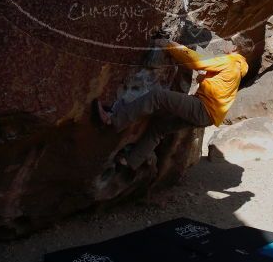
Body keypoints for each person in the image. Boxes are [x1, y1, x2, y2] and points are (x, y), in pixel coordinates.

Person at [95, 34, 251, 170]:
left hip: (202, 108)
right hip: (208, 116)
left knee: (158, 96)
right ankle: (130, 161)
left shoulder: (229, 61)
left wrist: (170, 45)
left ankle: (113, 119)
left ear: (235, 48)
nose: (226, 42)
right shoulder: (239, 66)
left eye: (230, 41)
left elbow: (196, 62)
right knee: (159, 127)